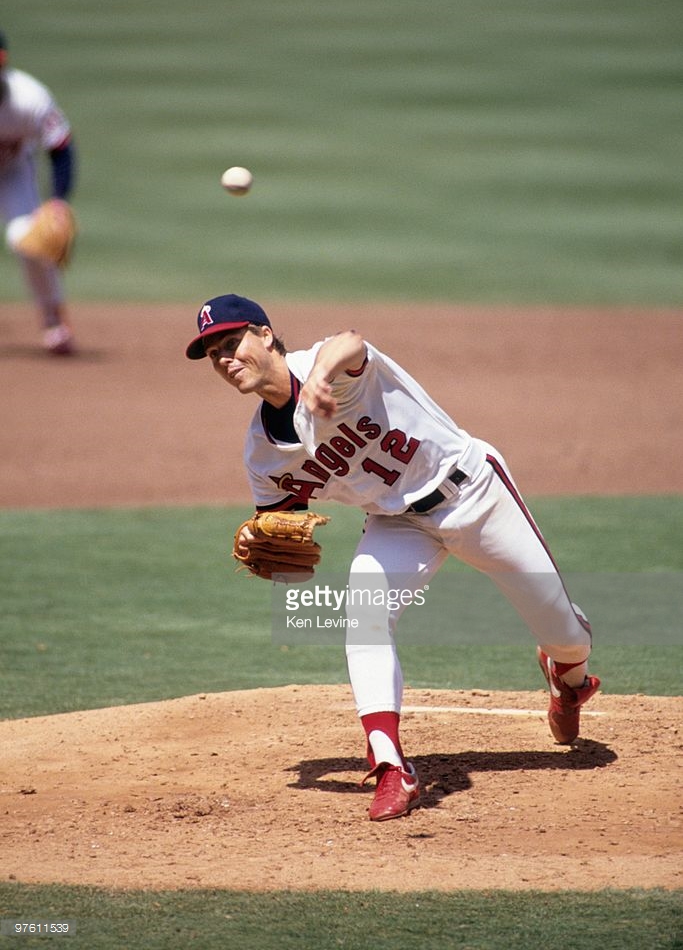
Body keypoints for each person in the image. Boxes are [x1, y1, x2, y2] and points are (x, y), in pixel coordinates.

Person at [186, 293, 601, 822]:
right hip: (397, 523)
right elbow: (288, 552)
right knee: (364, 615)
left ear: (266, 335)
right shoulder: (262, 454)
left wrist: (318, 378)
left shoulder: (331, 367)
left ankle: (568, 678)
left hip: (473, 493)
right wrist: (273, 559)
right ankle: (390, 768)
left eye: (231, 342)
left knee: (564, 633)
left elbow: (351, 341)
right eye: (214, 353)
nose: (225, 358)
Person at [0, 30, 77, 355]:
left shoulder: (29, 97)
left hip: (13, 174)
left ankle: (53, 320)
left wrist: (58, 200)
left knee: (28, 241)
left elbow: (61, 147)